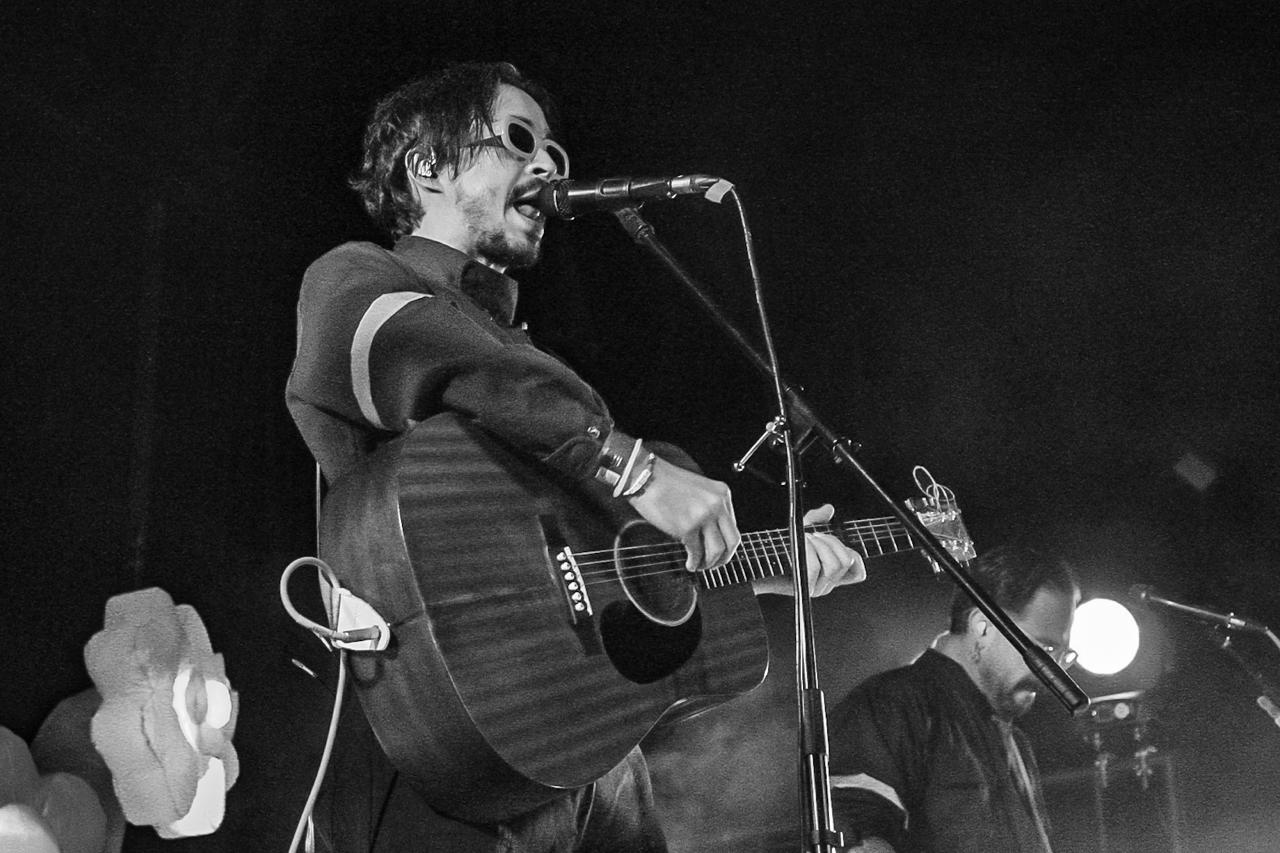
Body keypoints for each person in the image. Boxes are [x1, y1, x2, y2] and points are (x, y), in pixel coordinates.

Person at [285, 61, 864, 852]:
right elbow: (420, 348)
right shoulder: (358, 280)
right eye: (519, 140)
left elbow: (592, 567)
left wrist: (756, 565)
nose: (550, 166)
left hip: (584, 752)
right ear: (428, 166)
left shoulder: (523, 358)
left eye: (555, 152)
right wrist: (634, 468)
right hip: (436, 750)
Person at [828, 546, 1080, 853]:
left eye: (1064, 655)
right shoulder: (891, 705)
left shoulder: (1017, 744)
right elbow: (855, 830)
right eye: (1046, 650)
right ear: (982, 627)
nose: (1055, 672)